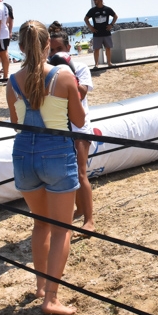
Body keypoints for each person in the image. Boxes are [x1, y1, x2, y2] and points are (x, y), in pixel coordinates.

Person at [6, 20, 86, 315]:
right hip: (55, 151)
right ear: (46, 45)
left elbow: (17, 124)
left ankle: (41, 286)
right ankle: (50, 298)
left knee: (40, 224)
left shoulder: (13, 81)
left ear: (21, 46)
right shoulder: (63, 76)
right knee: (62, 229)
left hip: (24, 153)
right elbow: (78, 120)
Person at [48, 27, 96, 233]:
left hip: (79, 127)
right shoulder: (49, 71)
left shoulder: (81, 67)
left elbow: (81, 94)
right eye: (51, 50)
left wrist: (67, 70)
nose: (55, 54)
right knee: (67, 173)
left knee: (81, 173)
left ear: (68, 47)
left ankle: (89, 219)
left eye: (59, 49)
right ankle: (79, 208)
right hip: (58, 127)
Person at [84, 0, 118, 70]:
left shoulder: (107, 9)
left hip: (106, 33)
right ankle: (96, 65)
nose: (94, 1)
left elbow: (115, 16)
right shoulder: (92, 10)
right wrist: (90, 27)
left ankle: (109, 63)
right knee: (96, 49)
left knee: (108, 48)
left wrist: (111, 25)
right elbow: (86, 19)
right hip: (97, 33)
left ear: (100, 0)